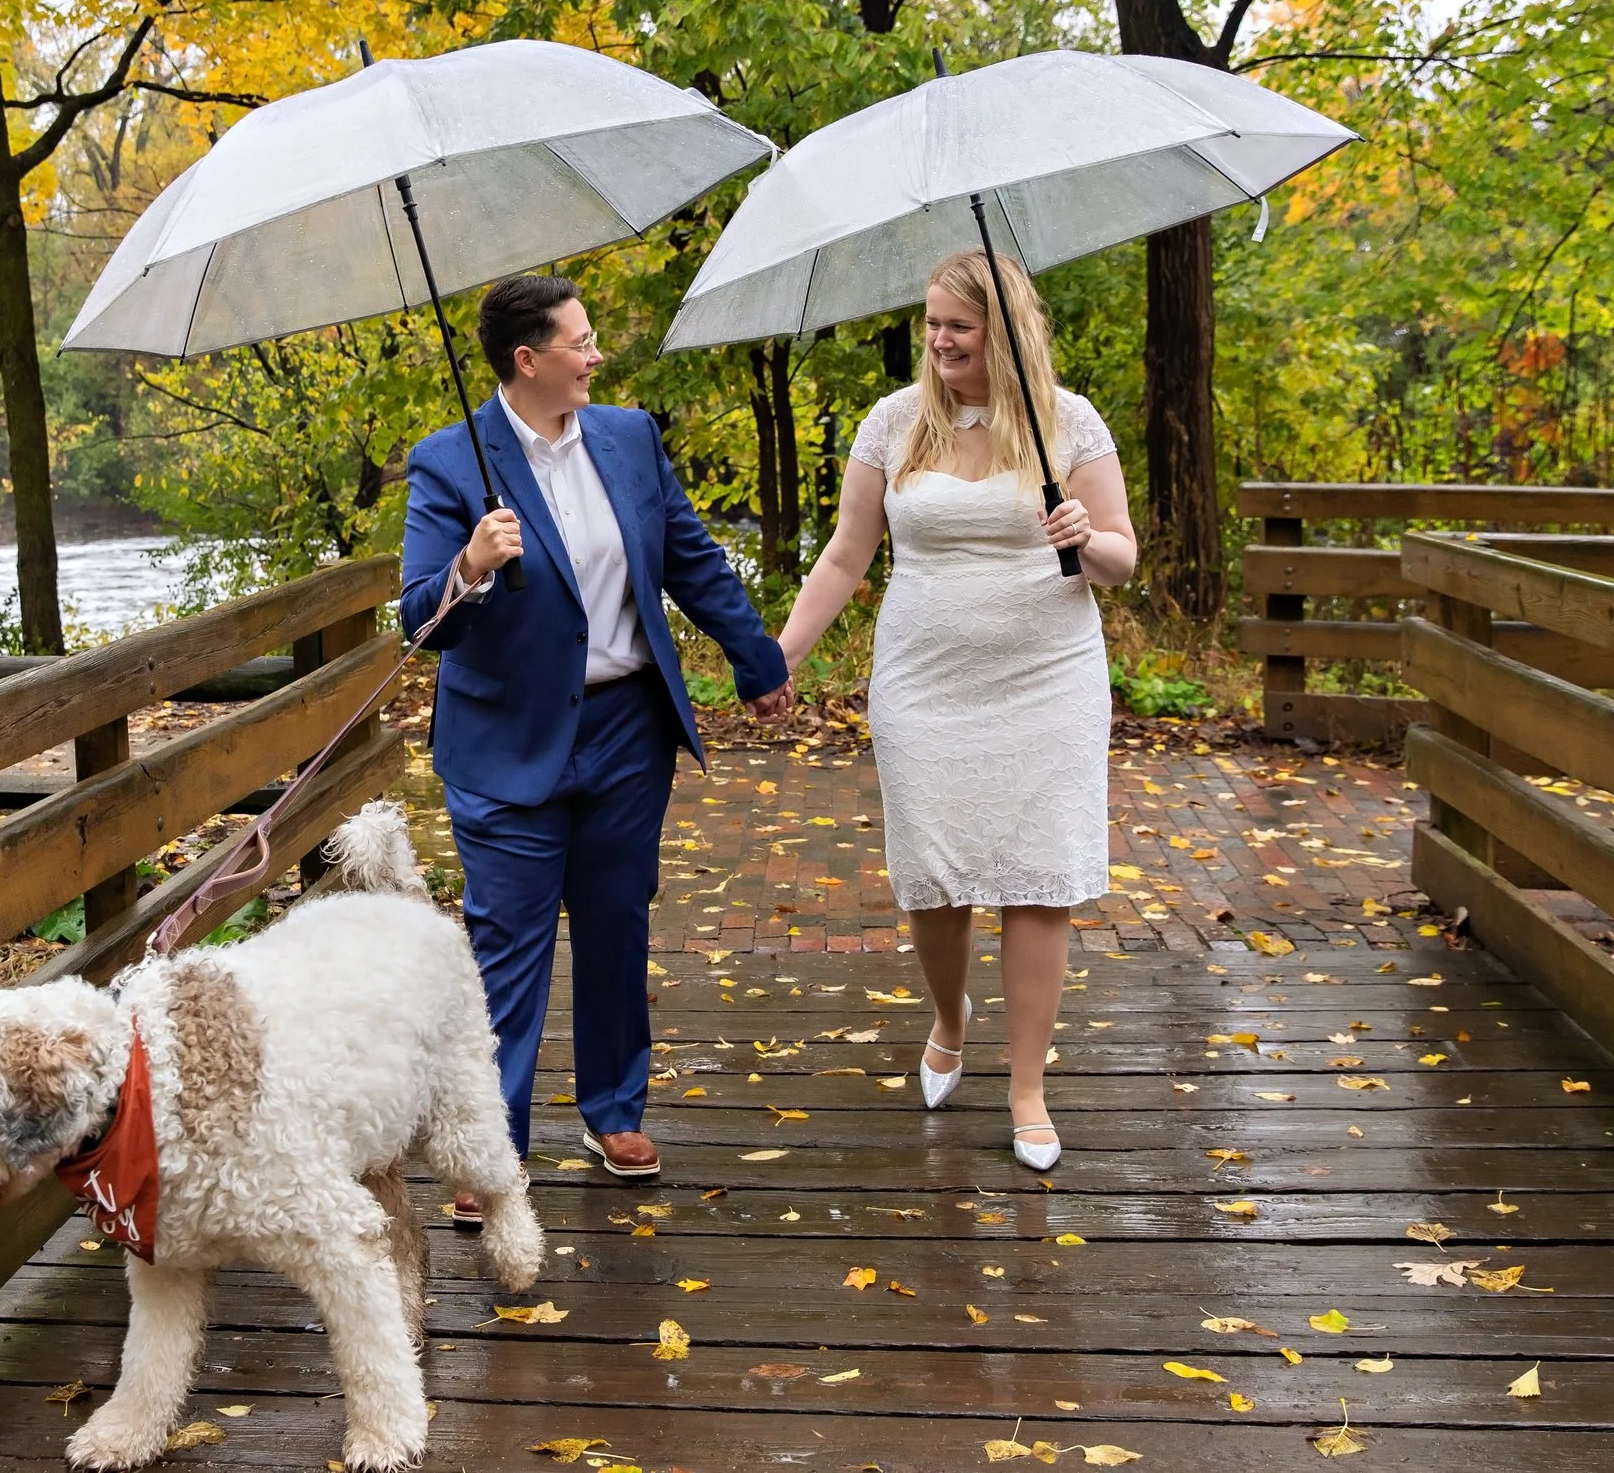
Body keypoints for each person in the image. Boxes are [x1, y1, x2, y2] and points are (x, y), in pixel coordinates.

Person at [401, 275, 793, 1209]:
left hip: (624, 730)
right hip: (507, 743)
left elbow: (691, 556)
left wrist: (757, 657)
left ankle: (614, 1106)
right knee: (508, 944)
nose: (596, 355)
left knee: (618, 922)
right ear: (527, 360)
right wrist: (471, 564)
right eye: (580, 342)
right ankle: (492, 1148)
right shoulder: (449, 464)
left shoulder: (628, 436)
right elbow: (418, 625)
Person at [775, 250, 1136, 1172]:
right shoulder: (894, 422)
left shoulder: (1069, 423)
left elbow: (1123, 560)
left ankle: (1026, 1086)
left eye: (959, 326)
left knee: (1038, 879)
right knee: (934, 879)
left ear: (1006, 331)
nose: (939, 340)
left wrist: (1083, 537)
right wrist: (778, 655)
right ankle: (949, 1013)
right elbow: (845, 558)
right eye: (932, 322)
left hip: (1047, 680)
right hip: (926, 682)